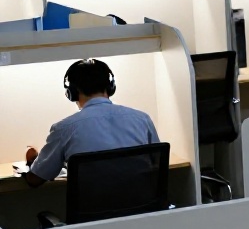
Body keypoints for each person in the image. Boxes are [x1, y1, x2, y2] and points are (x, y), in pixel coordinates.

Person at [22, 58, 159, 187]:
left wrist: (32, 160)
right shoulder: (142, 119)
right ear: (111, 87)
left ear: (71, 93)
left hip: (96, 211)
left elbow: (35, 180)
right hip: (143, 209)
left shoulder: (64, 129)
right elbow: (158, 163)